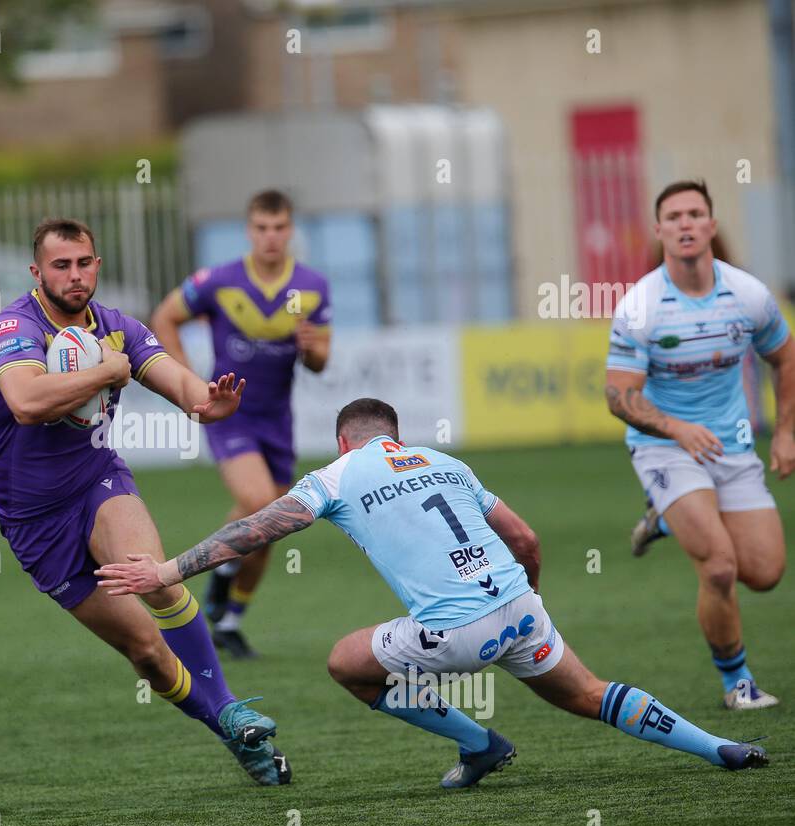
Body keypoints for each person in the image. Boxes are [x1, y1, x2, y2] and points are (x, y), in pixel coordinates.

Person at [97, 398, 769, 788]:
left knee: (345, 663)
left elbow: (254, 529)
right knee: (590, 694)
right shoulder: (447, 462)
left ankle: (479, 744)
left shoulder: (337, 475)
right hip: (516, 606)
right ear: (394, 432)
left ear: (344, 439)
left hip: (452, 631)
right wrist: (525, 600)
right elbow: (526, 538)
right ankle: (719, 747)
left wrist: (166, 571)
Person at [0, 217, 290, 786]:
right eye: (60, 265)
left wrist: (209, 401)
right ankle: (228, 734)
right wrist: (105, 371)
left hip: (99, 481)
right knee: (147, 651)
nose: (74, 276)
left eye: (84, 263)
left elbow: (178, 382)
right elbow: (25, 401)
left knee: (156, 578)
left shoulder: (118, 327)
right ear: (36, 272)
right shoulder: (14, 326)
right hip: (32, 520)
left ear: (97, 265)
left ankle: (230, 706)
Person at [606, 180, 792, 710]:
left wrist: (784, 431)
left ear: (711, 225)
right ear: (659, 230)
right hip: (663, 447)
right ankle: (738, 683)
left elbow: (784, 355)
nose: (685, 223)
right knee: (719, 567)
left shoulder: (748, 294)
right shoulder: (642, 305)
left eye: (695, 214)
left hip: (731, 446)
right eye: (674, 216)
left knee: (764, 572)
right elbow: (619, 396)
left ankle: (662, 518)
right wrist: (677, 429)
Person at [149, 189, 331, 658]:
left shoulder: (311, 287)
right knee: (256, 502)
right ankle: (223, 579)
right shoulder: (218, 281)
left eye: (279, 227)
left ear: (291, 230)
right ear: (249, 230)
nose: (271, 237)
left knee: (276, 524)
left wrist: (311, 349)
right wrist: (188, 381)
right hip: (230, 413)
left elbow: (321, 361)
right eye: (261, 228)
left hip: (277, 419)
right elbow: (164, 317)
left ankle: (229, 615)